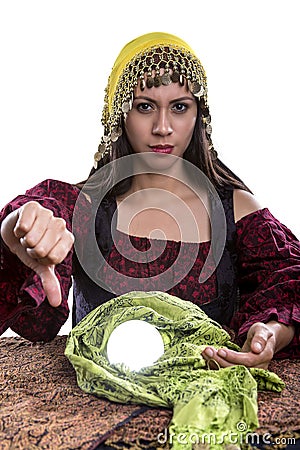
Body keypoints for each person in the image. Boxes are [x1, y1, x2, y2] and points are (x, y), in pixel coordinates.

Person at [0, 32, 299, 370]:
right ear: (119, 116)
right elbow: (39, 216)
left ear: (198, 116)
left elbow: (290, 280)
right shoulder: (83, 207)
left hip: (207, 405)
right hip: (99, 408)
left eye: (179, 107)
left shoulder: (236, 210)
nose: (163, 127)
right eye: (145, 107)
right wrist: (15, 235)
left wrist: (272, 332)